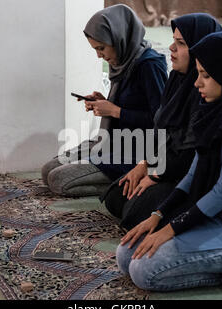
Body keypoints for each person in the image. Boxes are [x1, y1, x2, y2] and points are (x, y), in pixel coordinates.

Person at [116, 30, 222, 294]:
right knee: (126, 255)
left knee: (144, 272)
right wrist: (157, 216)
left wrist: (170, 229)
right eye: (198, 73)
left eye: (205, 75)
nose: (196, 84)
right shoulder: (215, 109)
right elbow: (192, 174)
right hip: (210, 217)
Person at [101, 13, 222, 231]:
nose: (171, 48)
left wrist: (156, 175)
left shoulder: (207, 90)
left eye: (181, 43)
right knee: (114, 198)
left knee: (133, 213)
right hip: (162, 162)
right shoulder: (176, 79)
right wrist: (144, 165)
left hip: (187, 176)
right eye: (173, 41)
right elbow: (159, 131)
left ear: (200, 47)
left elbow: (191, 153)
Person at [41, 4, 168, 197]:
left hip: (135, 150)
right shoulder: (124, 60)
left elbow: (162, 121)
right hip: (111, 141)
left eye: (101, 48)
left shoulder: (149, 65)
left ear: (119, 38)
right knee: (47, 170)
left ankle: (135, 180)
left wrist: (115, 111)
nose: (99, 55)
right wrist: (105, 102)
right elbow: (132, 101)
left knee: (58, 180)